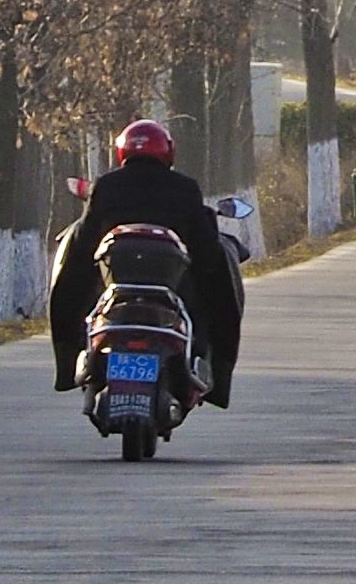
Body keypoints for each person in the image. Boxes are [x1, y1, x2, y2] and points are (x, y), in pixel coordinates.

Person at [48, 118, 244, 405]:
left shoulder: (106, 186)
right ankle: (218, 377)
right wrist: (211, 270)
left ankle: (67, 366)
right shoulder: (185, 188)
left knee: (66, 285)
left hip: (115, 286)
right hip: (171, 288)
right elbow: (205, 249)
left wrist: (79, 275)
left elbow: (87, 240)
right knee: (223, 294)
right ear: (167, 152)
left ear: (122, 152)